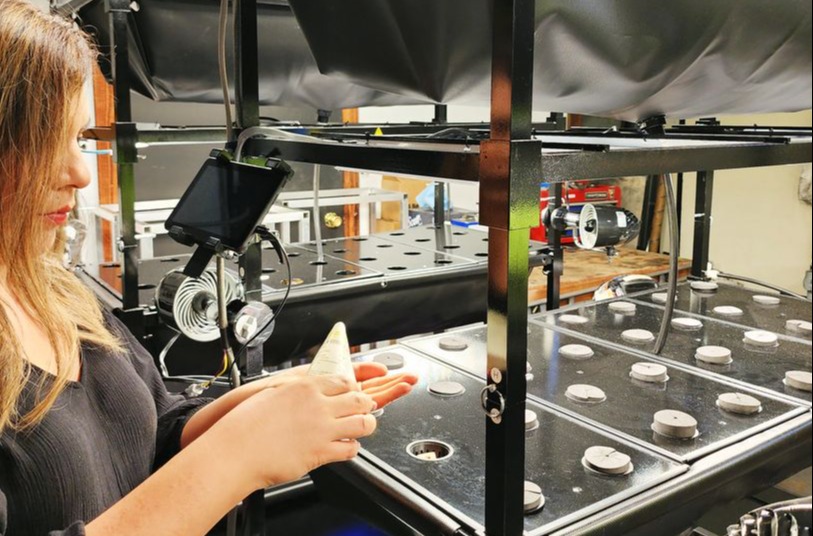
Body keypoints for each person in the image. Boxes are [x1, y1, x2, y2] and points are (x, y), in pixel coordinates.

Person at [0, 2, 418, 535]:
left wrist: (268, 401)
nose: (81, 174)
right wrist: (240, 454)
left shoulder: (55, 290)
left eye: (79, 138)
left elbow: (161, 425)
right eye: (41, 144)